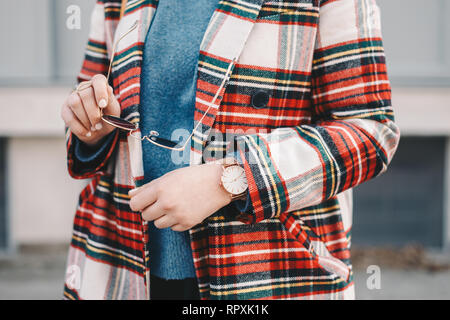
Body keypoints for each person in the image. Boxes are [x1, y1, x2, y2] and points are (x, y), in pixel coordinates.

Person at [60, 0, 400, 300]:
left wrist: (229, 179)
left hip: (268, 269)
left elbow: (370, 132)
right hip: (124, 264)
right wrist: (90, 122)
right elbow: (91, 99)